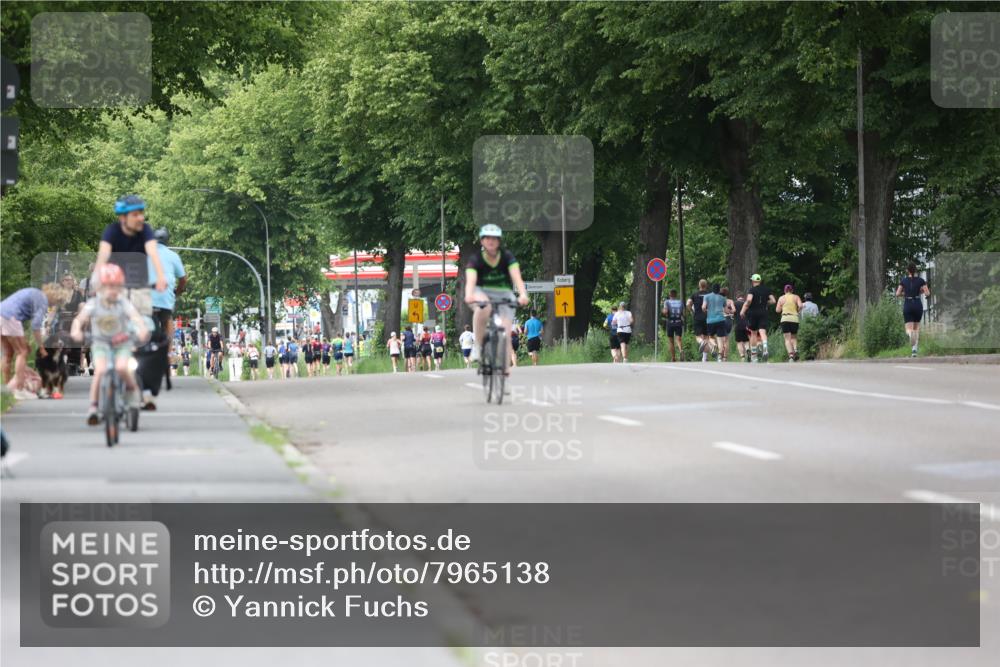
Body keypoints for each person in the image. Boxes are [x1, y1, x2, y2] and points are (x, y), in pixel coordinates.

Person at [69, 264, 148, 425]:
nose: (111, 290)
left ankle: (133, 391)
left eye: (115, 286)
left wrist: (141, 329)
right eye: (107, 286)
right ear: (99, 287)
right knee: (100, 371)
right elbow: (79, 319)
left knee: (121, 367)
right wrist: (76, 331)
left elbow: (136, 318)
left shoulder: (123, 303)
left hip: (122, 344)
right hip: (100, 343)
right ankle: (93, 407)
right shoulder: (93, 303)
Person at [464, 224, 530, 375]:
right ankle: (478, 347)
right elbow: (471, 280)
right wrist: (469, 295)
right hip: (481, 292)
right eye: (487, 238)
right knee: (484, 307)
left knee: (506, 326)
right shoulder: (476, 259)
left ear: (499, 241)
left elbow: (517, 277)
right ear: (482, 241)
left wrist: (523, 294)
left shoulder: (507, 257)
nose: (491, 241)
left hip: (503, 293)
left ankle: (504, 362)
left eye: (494, 238)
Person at [95, 196, 167, 327]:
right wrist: (96, 279)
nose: (141, 218)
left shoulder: (145, 230)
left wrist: (161, 276)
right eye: (135, 215)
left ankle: (145, 343)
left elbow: (153, 253)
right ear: (123, 218)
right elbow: (103, 256)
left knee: (146, 324)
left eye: (141, 214)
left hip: (139, 286)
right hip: (115, 286)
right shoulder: (111, 231)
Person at [1, 284, 69, 399]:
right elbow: (36, 325)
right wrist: (41, 346)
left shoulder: (34, 292)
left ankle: (6, 388)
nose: (54, 305)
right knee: (23, 352)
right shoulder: (42, 300)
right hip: (10, 318)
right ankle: (19, 389)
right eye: (57, 302)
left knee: (8, 354)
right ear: (54, 296)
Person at [896, 264, 930, 357]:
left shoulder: (903, 281)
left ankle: (911, 336)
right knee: (916, 328)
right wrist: (921, 291)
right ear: (915, 271)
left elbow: (897, 293)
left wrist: (906, 293)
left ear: (908, 270)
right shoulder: (921, 280)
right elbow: (927, 293)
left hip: (908, 304)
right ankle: (914, 350)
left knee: (909, 329)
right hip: (917, 304)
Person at [739, 273, 775, 362]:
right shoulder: (767, 289)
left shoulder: (752, 290)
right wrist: (765, 303)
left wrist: (743, 311)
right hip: (764, 313)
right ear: (760, 281)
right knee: (762, 331)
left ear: (753, 281)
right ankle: (765, 347)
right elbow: (773, 301)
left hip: (753, 313)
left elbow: (749, 300)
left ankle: (754, 356)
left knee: (753, 333)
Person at [776, 284, 803, 361]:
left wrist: (782, 307)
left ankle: (791, 356)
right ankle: (795, 349)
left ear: (784, 291)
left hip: (785, 319)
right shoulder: (796, 297)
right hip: (794, 319)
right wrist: (797, 311)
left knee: (787, 339)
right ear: (792, 290)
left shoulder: (781, 298)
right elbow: (801, 305)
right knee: (794, 337)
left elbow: (777, 310)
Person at [702, 284, 727, 362]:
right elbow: (725, 310)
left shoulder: (706, 296)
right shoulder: (723, 298)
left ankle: (714, 345)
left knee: (710, 337)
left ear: (712, 289)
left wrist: (706, 312)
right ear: (719, 290)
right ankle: (720, 357)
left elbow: (703, 307)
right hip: (721, 320)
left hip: (710, 320)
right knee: (720, 338)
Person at [687, 279, 709, 360]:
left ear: (699, 285)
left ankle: (701, 342)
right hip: (707, 318)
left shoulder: (694, 294)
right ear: (706, 286)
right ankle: (704, 358)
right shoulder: (709, 294)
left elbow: (688, 303)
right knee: (706, 337)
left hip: (697, 317)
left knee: (698, 337)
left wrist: (692, 311)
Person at [661, 290, 684, 362]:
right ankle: (681, 350)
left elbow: (665, 311)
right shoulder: (680, 302)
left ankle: (673, 358)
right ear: (676, 295)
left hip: (670, 323)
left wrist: (663, 311)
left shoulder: (667, 302)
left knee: (671, 341)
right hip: (678, 322)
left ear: (669, 295)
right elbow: (684, 314)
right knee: (678, 339)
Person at [733, 293, 751, 362]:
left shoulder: (734, 303)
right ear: (743, 298)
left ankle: (742, 357)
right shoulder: (746, 304)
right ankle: (748, 350)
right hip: (747, 325)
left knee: (739, 342)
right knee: (746, 341)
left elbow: (732, 312)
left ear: (737, 297)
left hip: (738, 325)